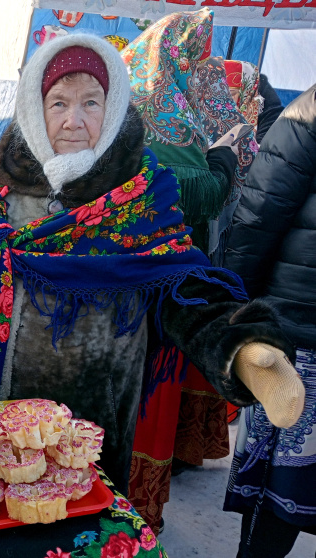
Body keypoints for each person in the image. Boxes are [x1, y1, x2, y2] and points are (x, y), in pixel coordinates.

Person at [0, 32, 302, 503]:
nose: (74, 120)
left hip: (87, 426)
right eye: (58, 104)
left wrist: (241, 348)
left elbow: (184, 287)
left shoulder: (139, 196)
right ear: (36, 107)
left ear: (112, 109)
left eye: (91, 103)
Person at [120, 9, 256, 530]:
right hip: (150, 284)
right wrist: (222, 160)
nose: (202, 68)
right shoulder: (147, 114)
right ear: (167, 57)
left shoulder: (182, 109)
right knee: (142, 389)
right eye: (192, 55)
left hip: (179, 279)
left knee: (161, 383)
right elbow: (190, 195)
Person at [223, 83, 316, 558]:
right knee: (280, 488)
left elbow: (257, 213)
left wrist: (238, 309)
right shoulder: (310, 113)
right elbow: (263, 208)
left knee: (280, 489)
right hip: (299, 336)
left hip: (298, 323)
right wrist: (240, 320)